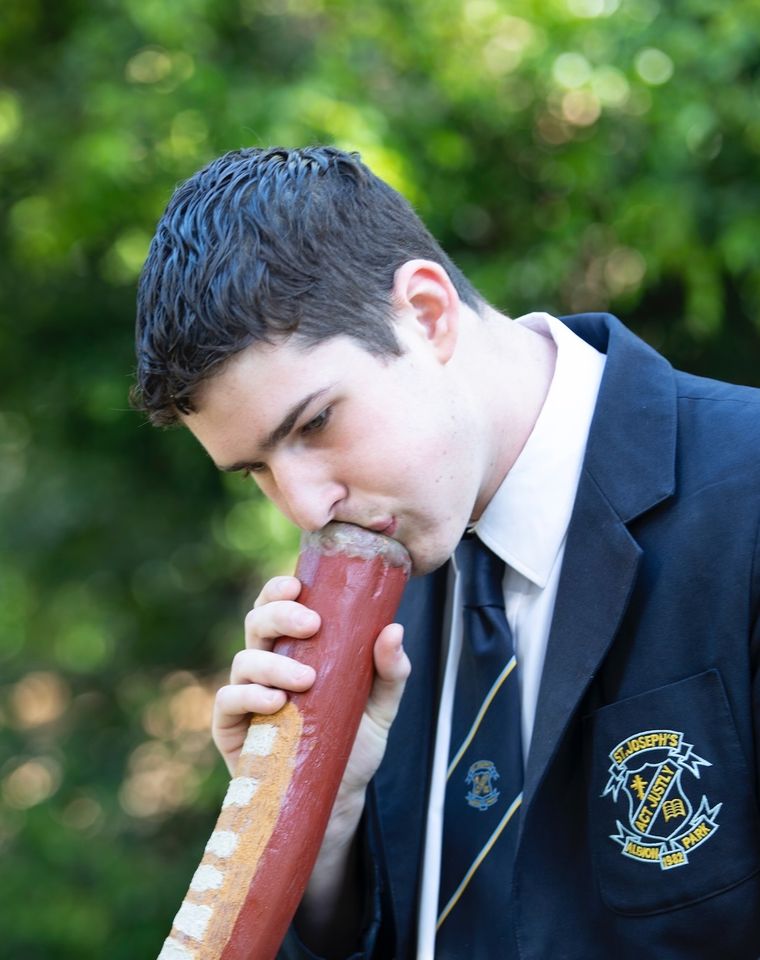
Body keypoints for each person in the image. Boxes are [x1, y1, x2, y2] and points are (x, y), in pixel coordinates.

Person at [133, 146, 760, 959]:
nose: (305, 505)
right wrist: (315, 826)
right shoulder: (370, 608)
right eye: (256, 468)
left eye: (315, 423)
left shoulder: (744, 496)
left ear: (426, 314)